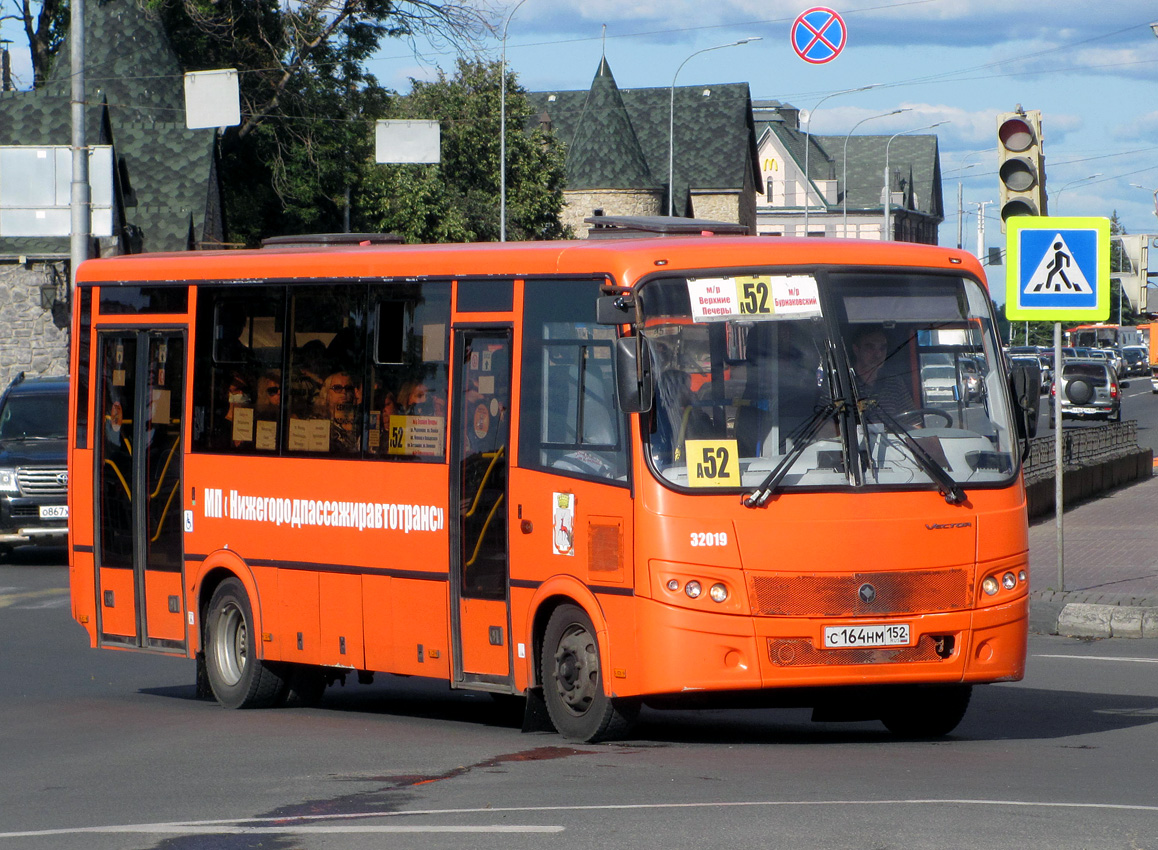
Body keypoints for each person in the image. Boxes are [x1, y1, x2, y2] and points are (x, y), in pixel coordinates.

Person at [849, 326, 914, 418]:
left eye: (882, 348)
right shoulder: (841, 384)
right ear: (856, 350)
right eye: (870, 347)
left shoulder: (894, 383)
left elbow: (914, 422)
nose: (878, 354)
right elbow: (827, 425)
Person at [321, 369, 360, 453]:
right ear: (327, 393)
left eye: (348, 388)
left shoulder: (361, 422)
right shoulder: (319, 422)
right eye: (337, 388)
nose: (344, 392)